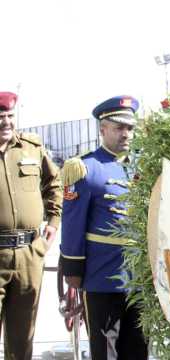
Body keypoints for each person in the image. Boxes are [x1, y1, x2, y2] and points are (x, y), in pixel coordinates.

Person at [60, 95, 148, 359]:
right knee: (105, 353)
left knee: (137, 351)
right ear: (103, 129)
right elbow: (72, 224)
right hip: (102, 277)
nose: (126, 134)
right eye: (119, 127)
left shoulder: (142, 165)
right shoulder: (86, 168)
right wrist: (73, 272)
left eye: (130, 128)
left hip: (139, 279)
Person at [0, 91, 62, 359]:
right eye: (0, 116)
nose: (5, 122)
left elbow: (54, 184)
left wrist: (54, 221)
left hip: (29, 255)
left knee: (23, 337)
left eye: (10, 116)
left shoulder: (32, 147)